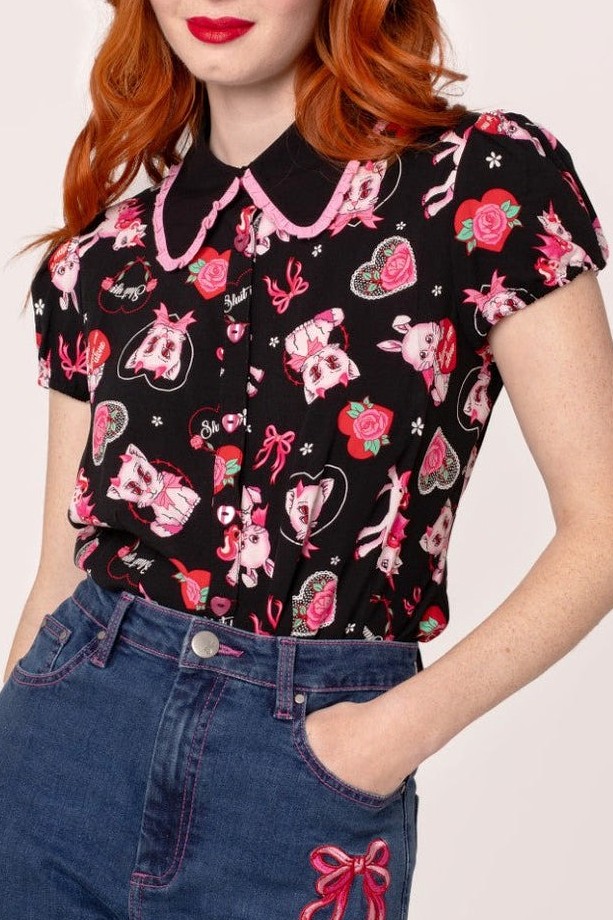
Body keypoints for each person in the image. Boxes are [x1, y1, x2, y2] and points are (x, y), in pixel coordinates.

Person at [1, 0, 612, 916]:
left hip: (307, 772)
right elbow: (60, 571)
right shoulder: (102, 256)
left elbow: (603, 524)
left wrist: (386, 736)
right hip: (63, 752)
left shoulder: (481, 183)